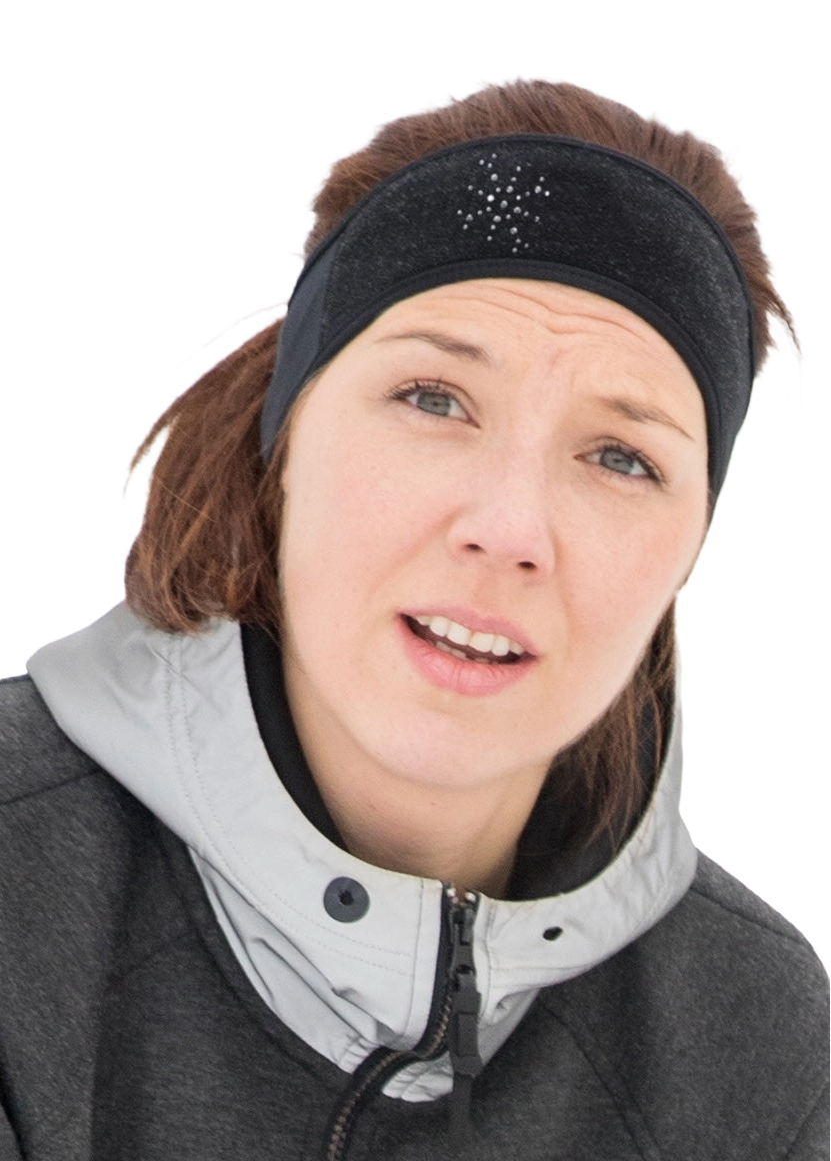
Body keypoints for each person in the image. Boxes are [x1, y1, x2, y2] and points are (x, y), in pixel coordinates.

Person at [0, 80, 827, 1161]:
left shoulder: (750, 1038)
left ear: (690, 550)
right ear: (285, 437)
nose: (508, 526)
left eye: (621, 458)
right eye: (435, 400)